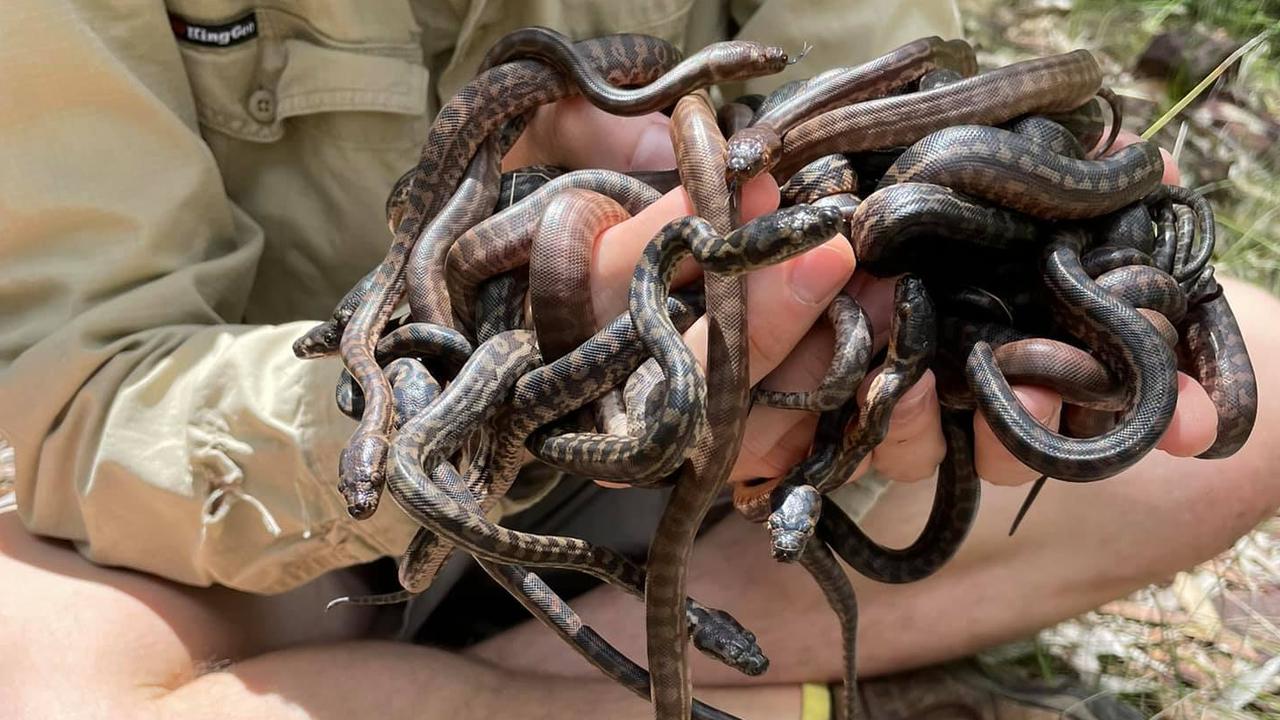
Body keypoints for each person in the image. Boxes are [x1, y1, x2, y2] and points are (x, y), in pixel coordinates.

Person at [1, 1, 1276, 718]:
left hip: (689, 437)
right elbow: (67, 395)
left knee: (1257, 388)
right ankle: (656, 680)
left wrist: (921, 345)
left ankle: (524, 676)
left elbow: (885, 115)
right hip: (269, 484)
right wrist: (525, 346)